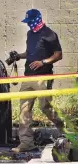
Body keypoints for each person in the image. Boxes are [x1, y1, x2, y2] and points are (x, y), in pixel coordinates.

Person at [11, 9, 64, 153]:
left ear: (38, 20)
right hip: (28, 77)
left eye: (30, 22)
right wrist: (18, 56)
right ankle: (26, 142)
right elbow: (29, 52)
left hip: (43, 77)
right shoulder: (30, 34)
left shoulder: (50, 34)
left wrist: (43, 62)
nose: (29, 25)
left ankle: (65, 128)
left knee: (45, 107)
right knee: (24, 110)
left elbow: (58, 55)